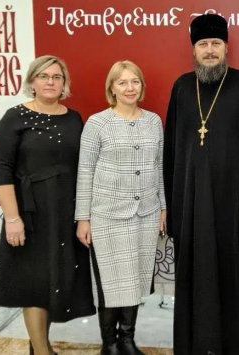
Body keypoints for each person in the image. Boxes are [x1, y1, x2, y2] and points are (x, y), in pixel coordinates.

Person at [163, 13, 239, 355]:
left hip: (236, 210)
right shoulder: (182, 87)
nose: (210, 51)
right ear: (193, 50)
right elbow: (171, 152)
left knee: (234, 276)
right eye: (203, 44)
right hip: (192, 207)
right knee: (196, 274)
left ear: (226, 47)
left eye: (216, 43)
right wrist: (172, 206)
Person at [0, 55, 95, 355]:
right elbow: (2, 171)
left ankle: (39, 346)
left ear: (64, 83)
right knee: (33, 284)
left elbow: (84, 166)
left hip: (66, 212)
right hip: (30, 213)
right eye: (44, 76)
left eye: (57, 77)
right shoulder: (14, 118)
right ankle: (42, 351)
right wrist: (12, 219)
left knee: (53, 281)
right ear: (32, 81)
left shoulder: (74, 118)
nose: (50, 82)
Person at [75, 61, 166, 355]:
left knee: (135, 280)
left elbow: (159, 166)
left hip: (147, 214)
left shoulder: (153, 121)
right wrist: (83, 218)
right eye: (122, 82)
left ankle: (127, 340)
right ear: (111, 88)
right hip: (108, 216)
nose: (130, 88)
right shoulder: (97, 123)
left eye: (135, 81)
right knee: (112, 284)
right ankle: (110, 344)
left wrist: (163, 208)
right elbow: (85, 171)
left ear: (142, 86)